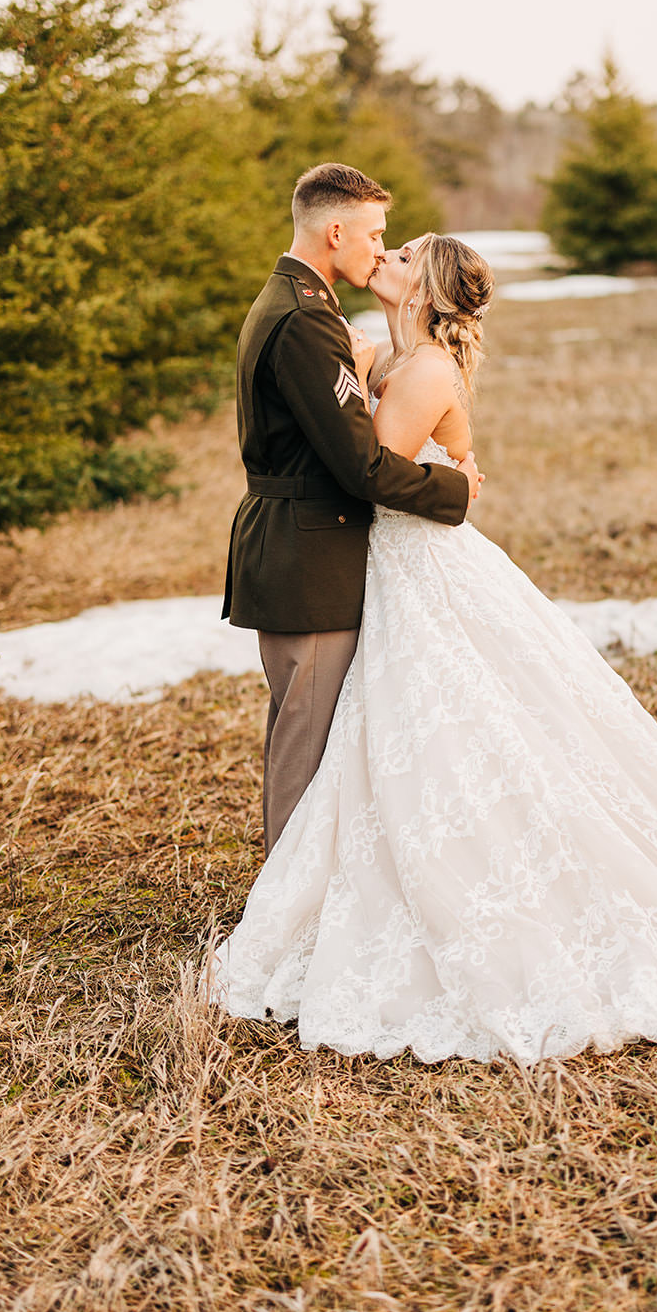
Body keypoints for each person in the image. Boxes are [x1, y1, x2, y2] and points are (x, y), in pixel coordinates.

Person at [210, 234, 657, 1065]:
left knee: (455, 727)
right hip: (397, 572)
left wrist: (421, 447)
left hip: (423, 573)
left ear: (428, 289)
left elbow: (365, 470)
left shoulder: (425, 370)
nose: (387, 257)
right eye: (387, 243)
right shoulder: (391, 361)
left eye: (403, 255)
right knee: (415, 732)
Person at [221, 164, 481, 856]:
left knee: (314, 732)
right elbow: (360, 464)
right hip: (309, 555)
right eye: (375, 235)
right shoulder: (306, 318)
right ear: (335, 231)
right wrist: (455, 485)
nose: (378, 249)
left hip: (306, 549)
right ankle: (287, 904)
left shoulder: (297, 301)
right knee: (304, 742)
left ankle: (314, 886)